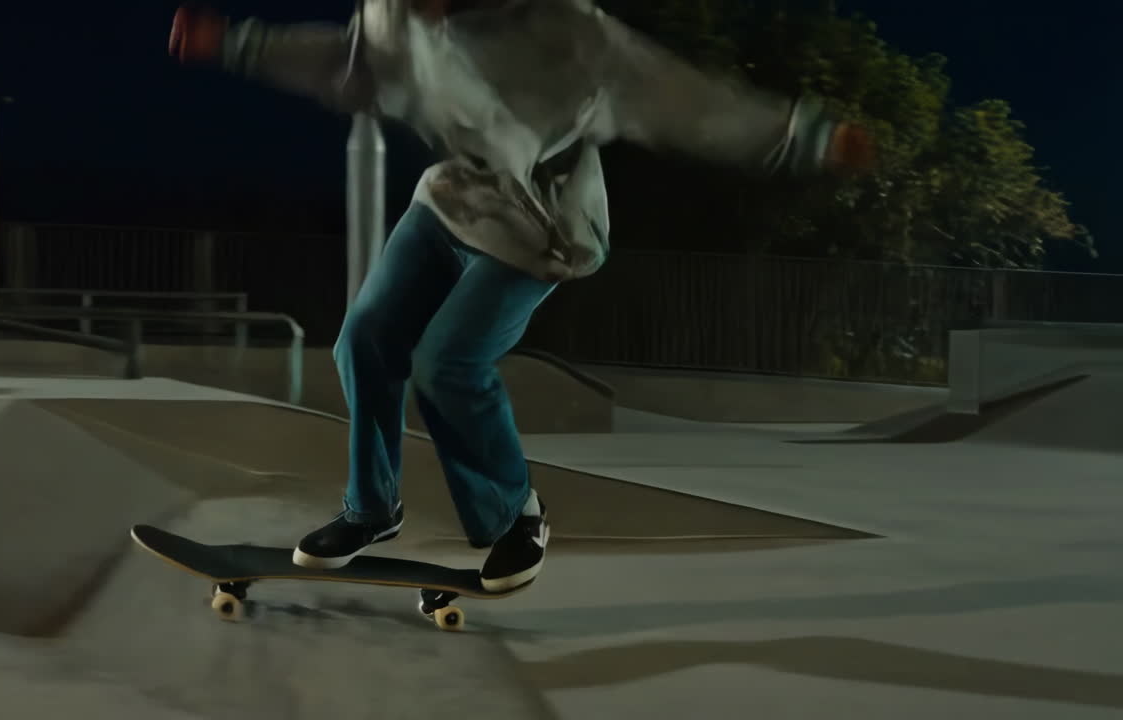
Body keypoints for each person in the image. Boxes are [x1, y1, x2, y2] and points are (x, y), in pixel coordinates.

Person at [167, 0, 876, 592]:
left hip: (541, 220)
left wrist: (807, 137)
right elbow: (341, 62)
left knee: (447, 364)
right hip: (454, 197)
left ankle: (517, 514)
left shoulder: (566, 28)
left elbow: (684, 99)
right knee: (366, 338)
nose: (418, 15)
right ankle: (372, 508)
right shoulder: (392, 15)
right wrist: (235, 42)